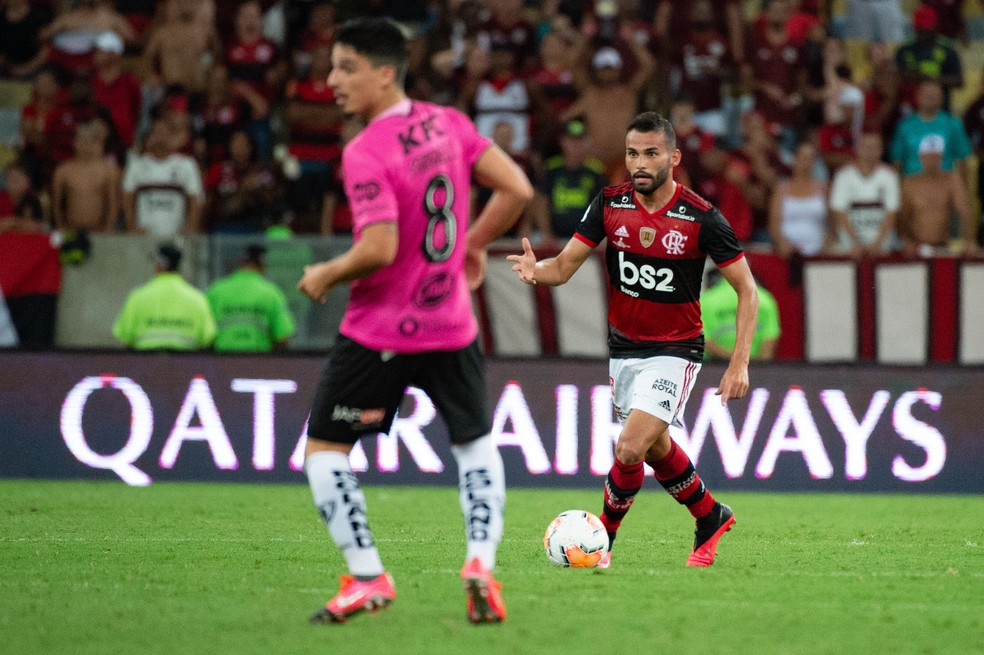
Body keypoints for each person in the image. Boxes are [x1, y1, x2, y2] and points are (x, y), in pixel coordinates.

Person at [295, 18, 533, 625]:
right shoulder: (448, 123)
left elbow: (377, 247)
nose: (332, 80)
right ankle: (481, 562)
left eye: (346, 67)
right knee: (475, 444)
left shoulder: (364, 150)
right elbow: (517, 189)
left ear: (384, 72)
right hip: (451, 322)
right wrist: (471, 245)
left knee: (325, 451)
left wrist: (327, 271)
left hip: (380, 330)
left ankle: (367, 576)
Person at [508, 111, 758, 569]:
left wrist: (739, 362)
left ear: (674, 158)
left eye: (650, 153)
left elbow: (748, 288)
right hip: (625, 349)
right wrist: (536, 272)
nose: (639, 163)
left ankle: (601, 541)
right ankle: (709, 515)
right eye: (632, 154)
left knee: (629, 447)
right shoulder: (609, 204)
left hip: (676, 349)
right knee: (656, 447)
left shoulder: (702, 218)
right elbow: (563, 268)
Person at [112, 244, 216, 351]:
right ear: (178, 266)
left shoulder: (137, 297)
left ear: (159, 265)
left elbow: (126, 338)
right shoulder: (197, 299)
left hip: (145, 365)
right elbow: (207, 340)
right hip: (185, 366)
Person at [898, 134, 979, 257]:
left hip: (942, 247)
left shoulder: (951, 180)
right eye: (928, 156)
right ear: (921, 157)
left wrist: (969, 241)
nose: (932, 160)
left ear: (941, 157)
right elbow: (902, 216)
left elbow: (964, 210)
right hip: (916, 248)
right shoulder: (910, 183)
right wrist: (905, 241)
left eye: (936, 156)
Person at [122, 117, 204, 238]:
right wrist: (132, 227)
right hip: (143, 236)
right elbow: (127, 199)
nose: (160, 138)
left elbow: (195, 200)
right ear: (149, 137)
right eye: (156, 133)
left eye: (164, 133)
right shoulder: (136, 165)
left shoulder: (187, 165)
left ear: (172, 137)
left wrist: (190, 229)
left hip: (176, 236)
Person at [532, 118, 607, 246]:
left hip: (586, 241)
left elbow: (603, 207)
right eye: (572, 140)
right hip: (554, 240)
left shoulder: (596, 172)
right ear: (563, 142)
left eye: (580, 141)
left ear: (587, 142)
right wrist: (547, 233)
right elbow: (540, 202)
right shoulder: (552, 169)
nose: (575, 146)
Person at [206, 245, 295, 352]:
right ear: (263, 265)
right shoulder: (272, 293)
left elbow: (205, 337)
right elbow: (283, 337)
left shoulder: (216, 290)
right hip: (258, 363)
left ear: (241, 262)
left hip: (221, 363)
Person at [829, 131, 901, 256]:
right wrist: (855, 243)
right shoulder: (843, 176)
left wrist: (878, 243)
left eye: (874, 147)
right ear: (858, 149)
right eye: (866, 147)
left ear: (881, 150)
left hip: (881, 243)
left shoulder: (890, 176)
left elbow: (892, 212)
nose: (870, 151)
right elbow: (839, 212)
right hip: (850, 244)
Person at [51, 121, 120, 233]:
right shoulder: (63, 171)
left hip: (99, 231)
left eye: (90, 142)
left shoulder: (108, 171)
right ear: (75, 143)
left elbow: (114, 204)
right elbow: (56, 204)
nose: (86, 146)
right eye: (82, 141)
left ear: (97, 143)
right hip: (71, 229)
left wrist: (108, 229)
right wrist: (60, 227)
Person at [702, 269, 780, 361]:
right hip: (755, 369)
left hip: (713, 369)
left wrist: (733, 361)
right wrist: (759, 367)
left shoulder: (706, 300)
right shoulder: (765, 298)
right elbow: (770, 339)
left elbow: (703, 339)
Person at [768, 140, 830, 257]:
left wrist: (825, 247)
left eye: (811, 158)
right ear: (795, 159)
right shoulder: (781, 189)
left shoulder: (823, 189)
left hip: (818, 251)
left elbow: (831, 224)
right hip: (787, 252)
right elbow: (774, 223)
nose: (806, 162)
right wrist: (782, 243)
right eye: (803, 157)